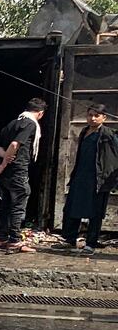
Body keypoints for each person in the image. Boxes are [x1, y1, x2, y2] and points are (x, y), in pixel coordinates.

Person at [59, 104, 118, 253]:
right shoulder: (84, 131)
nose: (92, 118)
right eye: (90, 115)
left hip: (98, 178)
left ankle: (91, 243)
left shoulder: (108, 134)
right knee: (73, 207)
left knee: (95, 212)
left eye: (96, 116)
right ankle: (70, 239)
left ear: (104, 117)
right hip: (81, 176)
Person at [0, 98, 46, 253]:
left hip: (7, 173)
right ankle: (14, 241)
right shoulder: (30, 124)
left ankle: (2, 239)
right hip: (18, 171)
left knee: (6, 206)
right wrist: (4, 163)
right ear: (40, 113)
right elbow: (15, 144)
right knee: (18, 206)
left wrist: (5, 159)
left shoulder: (12, 124)